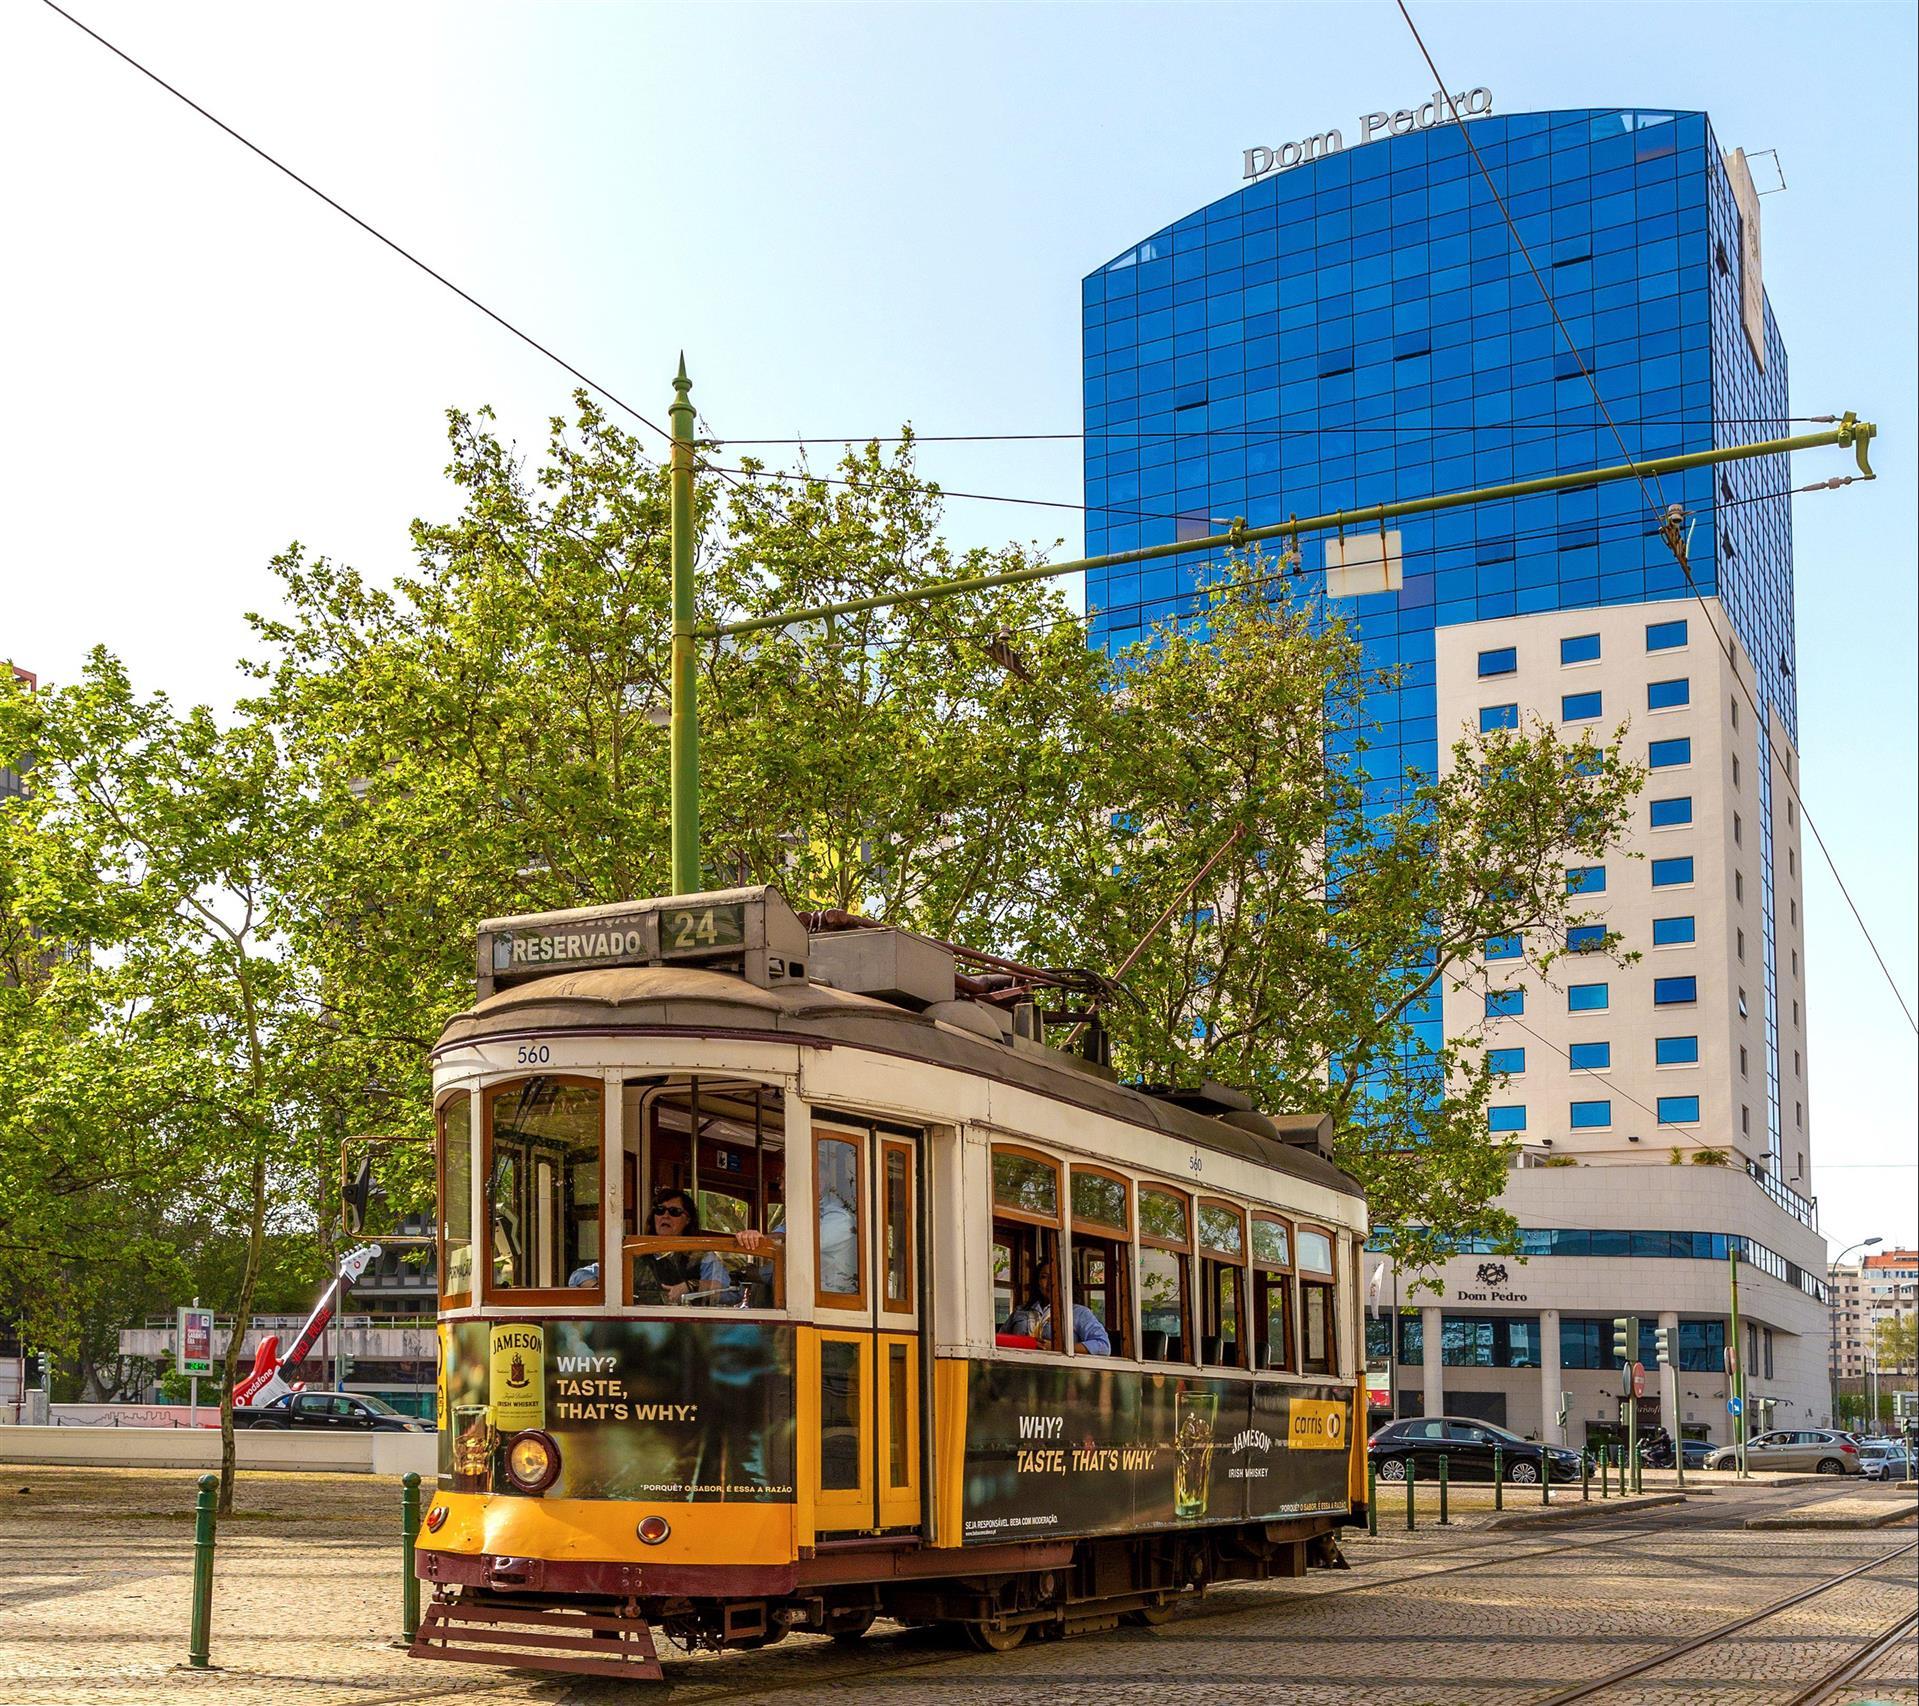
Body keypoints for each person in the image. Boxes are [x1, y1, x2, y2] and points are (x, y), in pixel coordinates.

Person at [1007, 1254, 1112, 1354]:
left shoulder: (1078, 1313)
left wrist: (1058, 1347)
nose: (1051, 1282)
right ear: (1037, 1282)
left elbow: (1103, 1346)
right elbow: (998, 1340)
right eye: (1044, 1277)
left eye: (1057, 1277)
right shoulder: (1021, 1311)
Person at [647, 1192, 732, 1303]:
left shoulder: (702, 1256)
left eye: (674, 1212)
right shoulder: (637, 1254)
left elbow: (731, 1293)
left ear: (688, 1219)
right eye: (660, 1210)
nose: (665, 1216)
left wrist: (690, 1286)